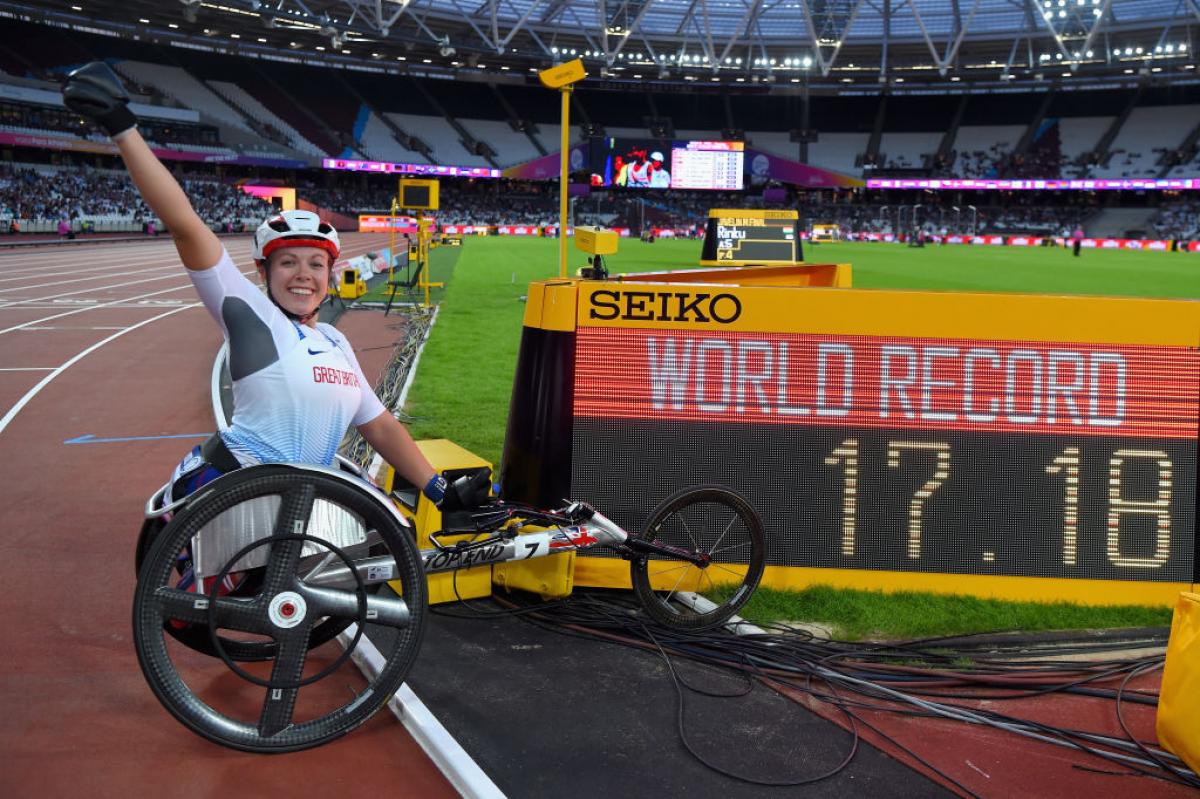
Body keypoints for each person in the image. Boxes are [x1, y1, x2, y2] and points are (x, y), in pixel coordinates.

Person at [61, 62, 487, 514]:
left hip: (304, 504)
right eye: (287, 262)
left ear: (330, 274)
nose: (303, 274)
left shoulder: (337, 342)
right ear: (264, 272)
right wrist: (123, 129)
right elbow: (185, 225)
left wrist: (439, 491)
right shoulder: (249, 313)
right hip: (235, 494)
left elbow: (379, 426)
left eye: (315, 264)